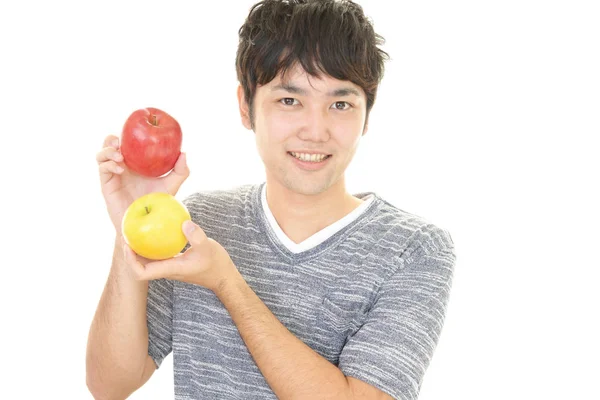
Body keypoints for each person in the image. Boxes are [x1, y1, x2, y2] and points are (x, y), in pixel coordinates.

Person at [86, 0, 456, 399]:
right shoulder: (198, 222)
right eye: (289, 100)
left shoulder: (415, 249)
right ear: (246, 106)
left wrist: (227, 283)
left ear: (367, 113)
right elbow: (110, 385)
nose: (315, 131)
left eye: (340, 104)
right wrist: (132, 229)